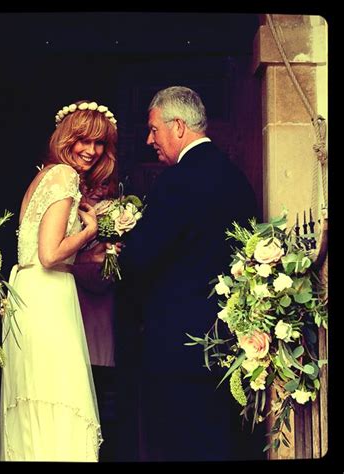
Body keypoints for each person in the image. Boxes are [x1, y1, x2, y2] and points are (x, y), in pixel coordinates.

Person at [116, 86, 263, 461]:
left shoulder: (176, 181)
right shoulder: (238, 178)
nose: (150, 140)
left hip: (176, 348)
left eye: (153, 129)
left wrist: (121, 247)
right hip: (228, 343)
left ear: (178, 127)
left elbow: (141, 257)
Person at [0, 100, 118, 462]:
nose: (92, 151)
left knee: (38, 397)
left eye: (100, 144)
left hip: (33, 293)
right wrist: (91, 230)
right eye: (84, 141)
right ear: (67, 138)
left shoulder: (45, 176)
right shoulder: (63, 177)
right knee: (58, 395)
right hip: (47, 296)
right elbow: (50, 254)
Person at [73, 178, 118, 461]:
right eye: (95, 183)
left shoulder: (110, 218)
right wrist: (88, 260)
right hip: (79, 323)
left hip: (103, 333)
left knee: (104, 410)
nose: (100, 191)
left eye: (106, 184)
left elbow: (104, 282)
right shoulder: (75, 217)